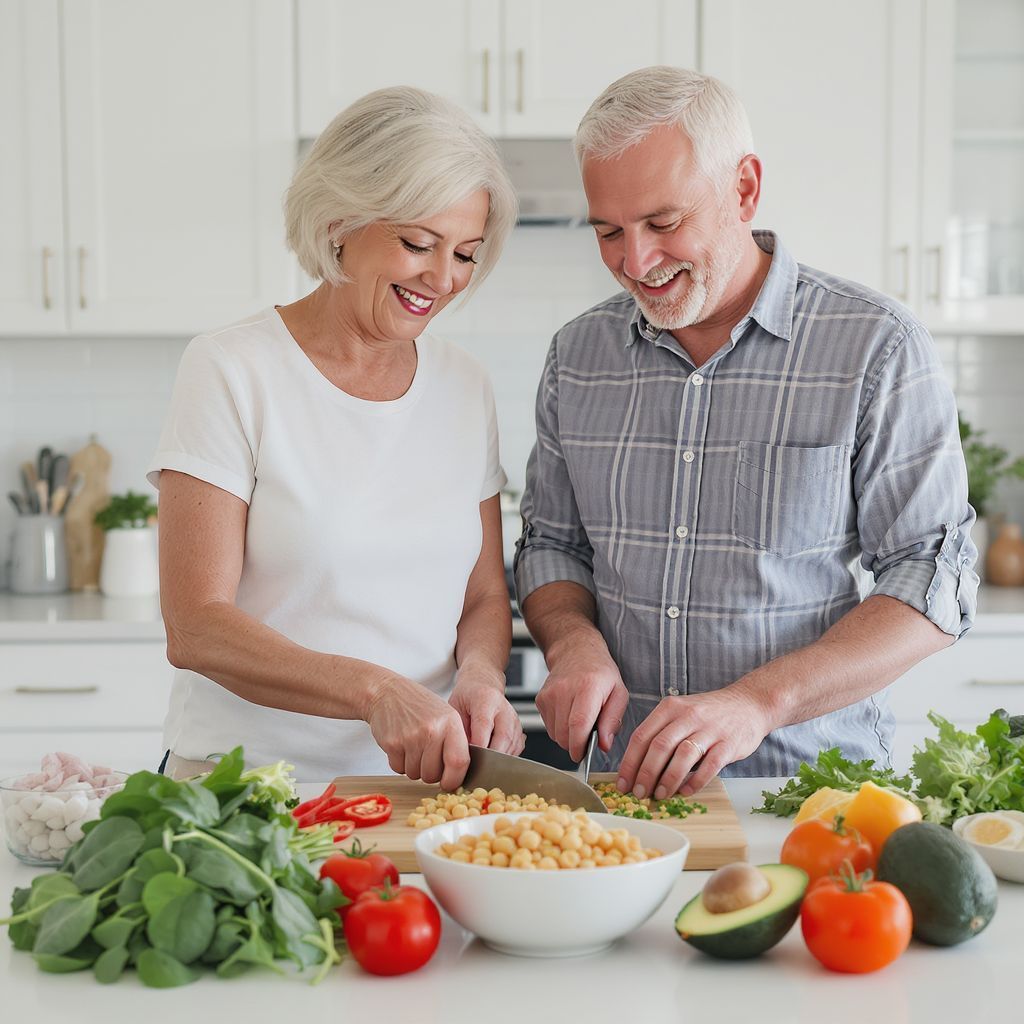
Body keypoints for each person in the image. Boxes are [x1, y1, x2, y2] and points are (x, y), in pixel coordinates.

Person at [514, 66, 979, 802]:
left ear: (745, 189)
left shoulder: (874, 346)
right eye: (608, 231)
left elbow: (931, 583)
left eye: (664, 223)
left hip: (807, 795)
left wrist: (761, 701)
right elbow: (552, 546)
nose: (635, 262)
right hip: (624, 801)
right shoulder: (578, 357)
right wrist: (572, 642)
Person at [149, 86, 522, 784]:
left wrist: (481, 675)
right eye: (418, 244)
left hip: (420, 792)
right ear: (341, 221)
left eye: (466, 255)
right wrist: (376, 691)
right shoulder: (233, 369)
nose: (443, 280)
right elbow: (195, 625)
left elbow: (482, 596)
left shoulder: (464, 385)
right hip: (246, 788)